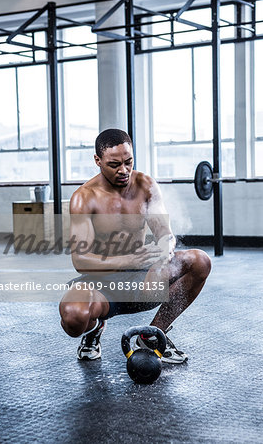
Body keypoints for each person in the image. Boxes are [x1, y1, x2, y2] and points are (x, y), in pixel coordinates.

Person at [59, 129, 211, 363]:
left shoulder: (145, 185)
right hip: (102, 285)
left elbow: (166, 234)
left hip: (143, 279)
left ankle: (151, 336)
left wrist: (164, 249)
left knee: (199, 261)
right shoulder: (84, 197)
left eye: (128, 161)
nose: (123, 170)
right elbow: (80, 260)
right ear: (97, 161)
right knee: (73, 316)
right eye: (114, 164)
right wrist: (132, 260)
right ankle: (93, 330)